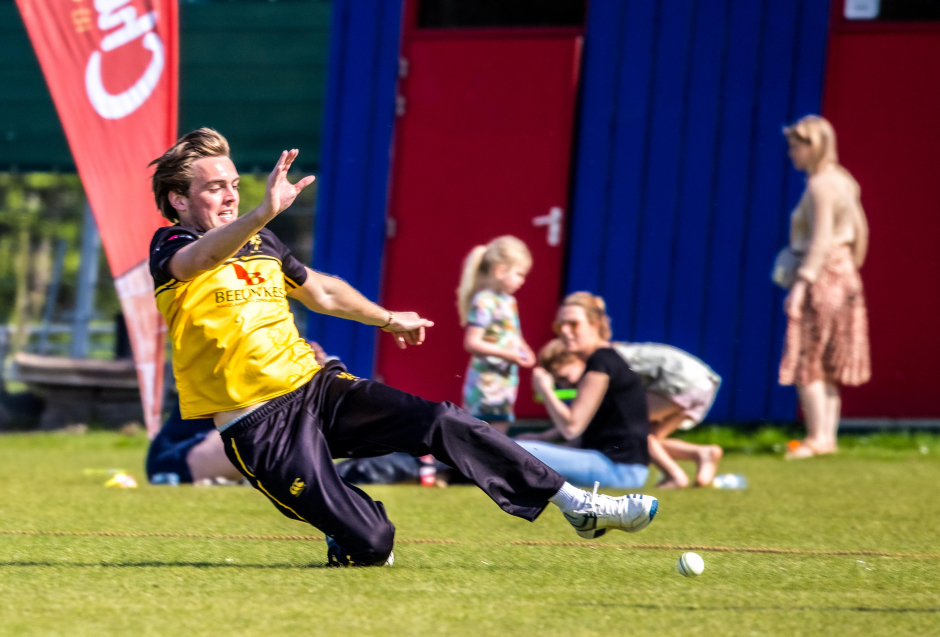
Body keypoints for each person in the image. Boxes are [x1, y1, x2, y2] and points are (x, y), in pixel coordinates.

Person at [147, 128, 658, 566]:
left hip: (316, 387)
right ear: (178, 199)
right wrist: (262, 213)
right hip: (257, 423)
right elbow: (198, 262)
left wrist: (389, 318)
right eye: (216, 188)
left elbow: (322, 291)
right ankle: (351, 526)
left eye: (235, 186)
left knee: (441, 420)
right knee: (373, 545)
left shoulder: (260, 241)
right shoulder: (169, 247)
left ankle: (577, 505)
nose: (231, 196)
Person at [779, 115, 871, 459]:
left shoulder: (819, 185)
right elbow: (861, 231)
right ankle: (827, 436)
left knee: (807, 357)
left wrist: (802, 285)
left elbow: (819, 239)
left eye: (794, 146)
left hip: (821, 275)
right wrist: (849, 267)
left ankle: (817, 437)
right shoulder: (844, 181)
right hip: (847, 274)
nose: (791, 154)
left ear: (812, 145)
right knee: (831, 362)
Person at [519, 293, 668, 491]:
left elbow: (571, 427)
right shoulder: (605, 359)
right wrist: (544, 440)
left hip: (618, 470)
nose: (564, 331)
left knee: (515, 449)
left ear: (595, 324)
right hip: (621, 468)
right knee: (520, 448)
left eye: (573, 324)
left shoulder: (601, 362)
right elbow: (586, 436)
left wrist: (546, 389)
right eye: (559, 325)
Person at [537, 338, 724, 488]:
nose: (565, 386)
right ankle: (701, 453)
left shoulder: (600, 363)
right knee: (650, 438)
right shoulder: (609, 356)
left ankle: (675, 475)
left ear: (577, 359)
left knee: (635, 431)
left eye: (564, 378)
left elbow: (581, 422)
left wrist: (546, 436)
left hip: (679, 381)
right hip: (703, 382)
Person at [146, 341, 333, 485]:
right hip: (177, 454)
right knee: (259, 430)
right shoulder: (229, 351)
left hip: (215, 445)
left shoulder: (275, 347)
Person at [456, 236, 536, 435]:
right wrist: (509, 355)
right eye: (519, 274)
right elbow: (472, 342)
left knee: (500, 431)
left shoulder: (508, 301)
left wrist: (524, 350)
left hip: (505, 383)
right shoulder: (485, 301)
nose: (522, 281)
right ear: (500, 270)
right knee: (484, 433)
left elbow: (512, 333)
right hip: (486, 384)